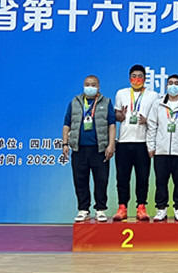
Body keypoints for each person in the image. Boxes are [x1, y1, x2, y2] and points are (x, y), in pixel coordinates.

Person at [62, 75, 116, 222]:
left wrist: (111, 145)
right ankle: (83, 209)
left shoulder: (106, 102)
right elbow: (67, 124)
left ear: (98, 87)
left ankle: (100, 209)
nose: (90, 87)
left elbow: (112, 125)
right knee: (80, 180)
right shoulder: (75, 102)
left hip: (99, 150)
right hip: (79, 149)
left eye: (93, 84)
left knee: (101, 180)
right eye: (87, 84)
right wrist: (65, 143)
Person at [113, 65, 159, 222]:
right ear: (129, 78)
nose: (137, 79)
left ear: (145, 79)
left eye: (140, 76)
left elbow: (156, 118)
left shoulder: (153, 95)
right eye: (134, 76)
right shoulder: (121, 93)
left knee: (143, 177)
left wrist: (147, 120)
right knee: (122, 177)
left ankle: (141, 207)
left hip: (143, 143)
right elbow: (117, 116)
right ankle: (122, 208)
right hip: (123, 142)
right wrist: (121, 115)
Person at [146, 74, 178, 222]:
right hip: (161, 150)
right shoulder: (158, 104)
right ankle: (161, 209)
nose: (173, 86)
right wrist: (151, 146)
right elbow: (152, 125)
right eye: (171, 83)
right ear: (166, 86)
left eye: (176, 83)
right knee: (161, 182)